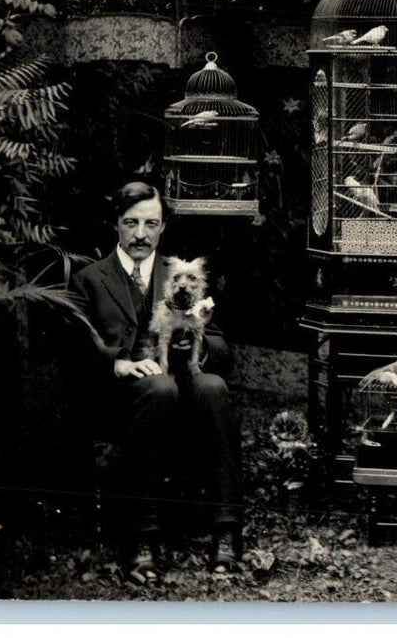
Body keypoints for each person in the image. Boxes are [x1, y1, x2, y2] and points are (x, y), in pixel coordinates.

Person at [70, 181, 243, 582]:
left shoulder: (183, 274)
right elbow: (73, 347)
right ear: (116, 224)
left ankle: (227, 531)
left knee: (213, 387)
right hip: (121, 398)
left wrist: (197, 351)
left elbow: (220, 345)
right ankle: (143, 537)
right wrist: (116, 364)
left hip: (181, 383)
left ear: (163, 226)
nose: (141, 234)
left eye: (151, 223)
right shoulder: (90, 279)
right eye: (131, 223)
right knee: (159, 388)